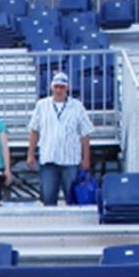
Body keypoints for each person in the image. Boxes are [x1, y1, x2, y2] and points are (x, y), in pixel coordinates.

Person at [27, 72, 94, 207]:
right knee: (48, 197)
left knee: (73, 197)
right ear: (52, 87)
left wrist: (86, 158)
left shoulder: (77, 106)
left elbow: (85, 134)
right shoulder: (42, 105)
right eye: (56, 87)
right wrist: (30, 154)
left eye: (62, 87)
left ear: (67, 88)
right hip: (48, 158)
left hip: (70, 159)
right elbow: (34, 130)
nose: (58, 90)